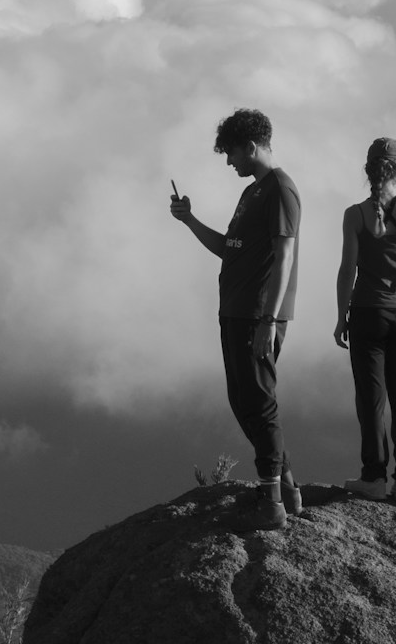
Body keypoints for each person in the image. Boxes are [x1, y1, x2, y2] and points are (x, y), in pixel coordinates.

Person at [169, 108, 304, 531]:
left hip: (257, 315)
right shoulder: (252, 193)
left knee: (260, 401)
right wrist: (189, 220)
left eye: (231, 153)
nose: (229, 163)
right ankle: (285, 483)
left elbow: (285, 256)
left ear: (251, 146)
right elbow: (231, 248)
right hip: (235, 311)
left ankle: (273, 501)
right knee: (242, 400)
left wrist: (268, 319)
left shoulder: (280, 189)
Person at [333, 136, 396, 505]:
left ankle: (374, 477)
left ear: (368, 169)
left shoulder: (355, 214)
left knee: (372, 400)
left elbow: (347, 272)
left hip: (367, 315)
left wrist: (341, 316)